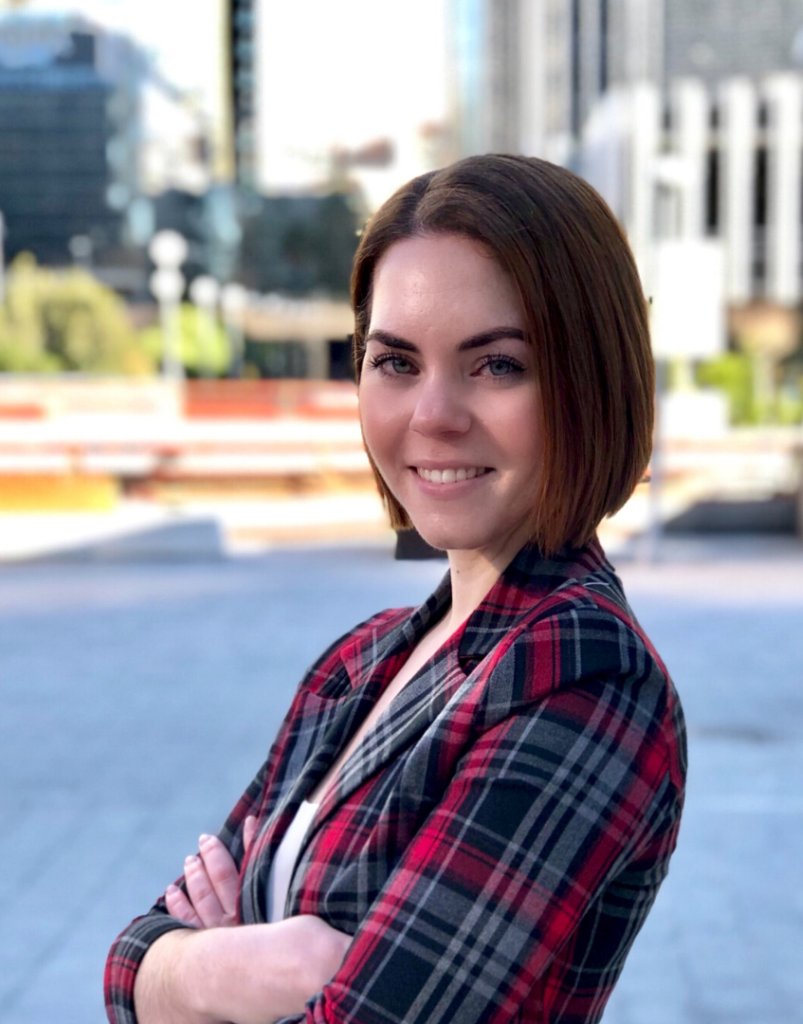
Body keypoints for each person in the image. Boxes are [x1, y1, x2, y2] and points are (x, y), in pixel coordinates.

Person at [105, 154, 686, 1024]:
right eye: (396, 361)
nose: (432, 415)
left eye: (497, 365)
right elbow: (128, 964)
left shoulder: (585, 676)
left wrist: (196, 966)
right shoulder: (359, 662)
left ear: (591, 382)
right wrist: (249, 966)